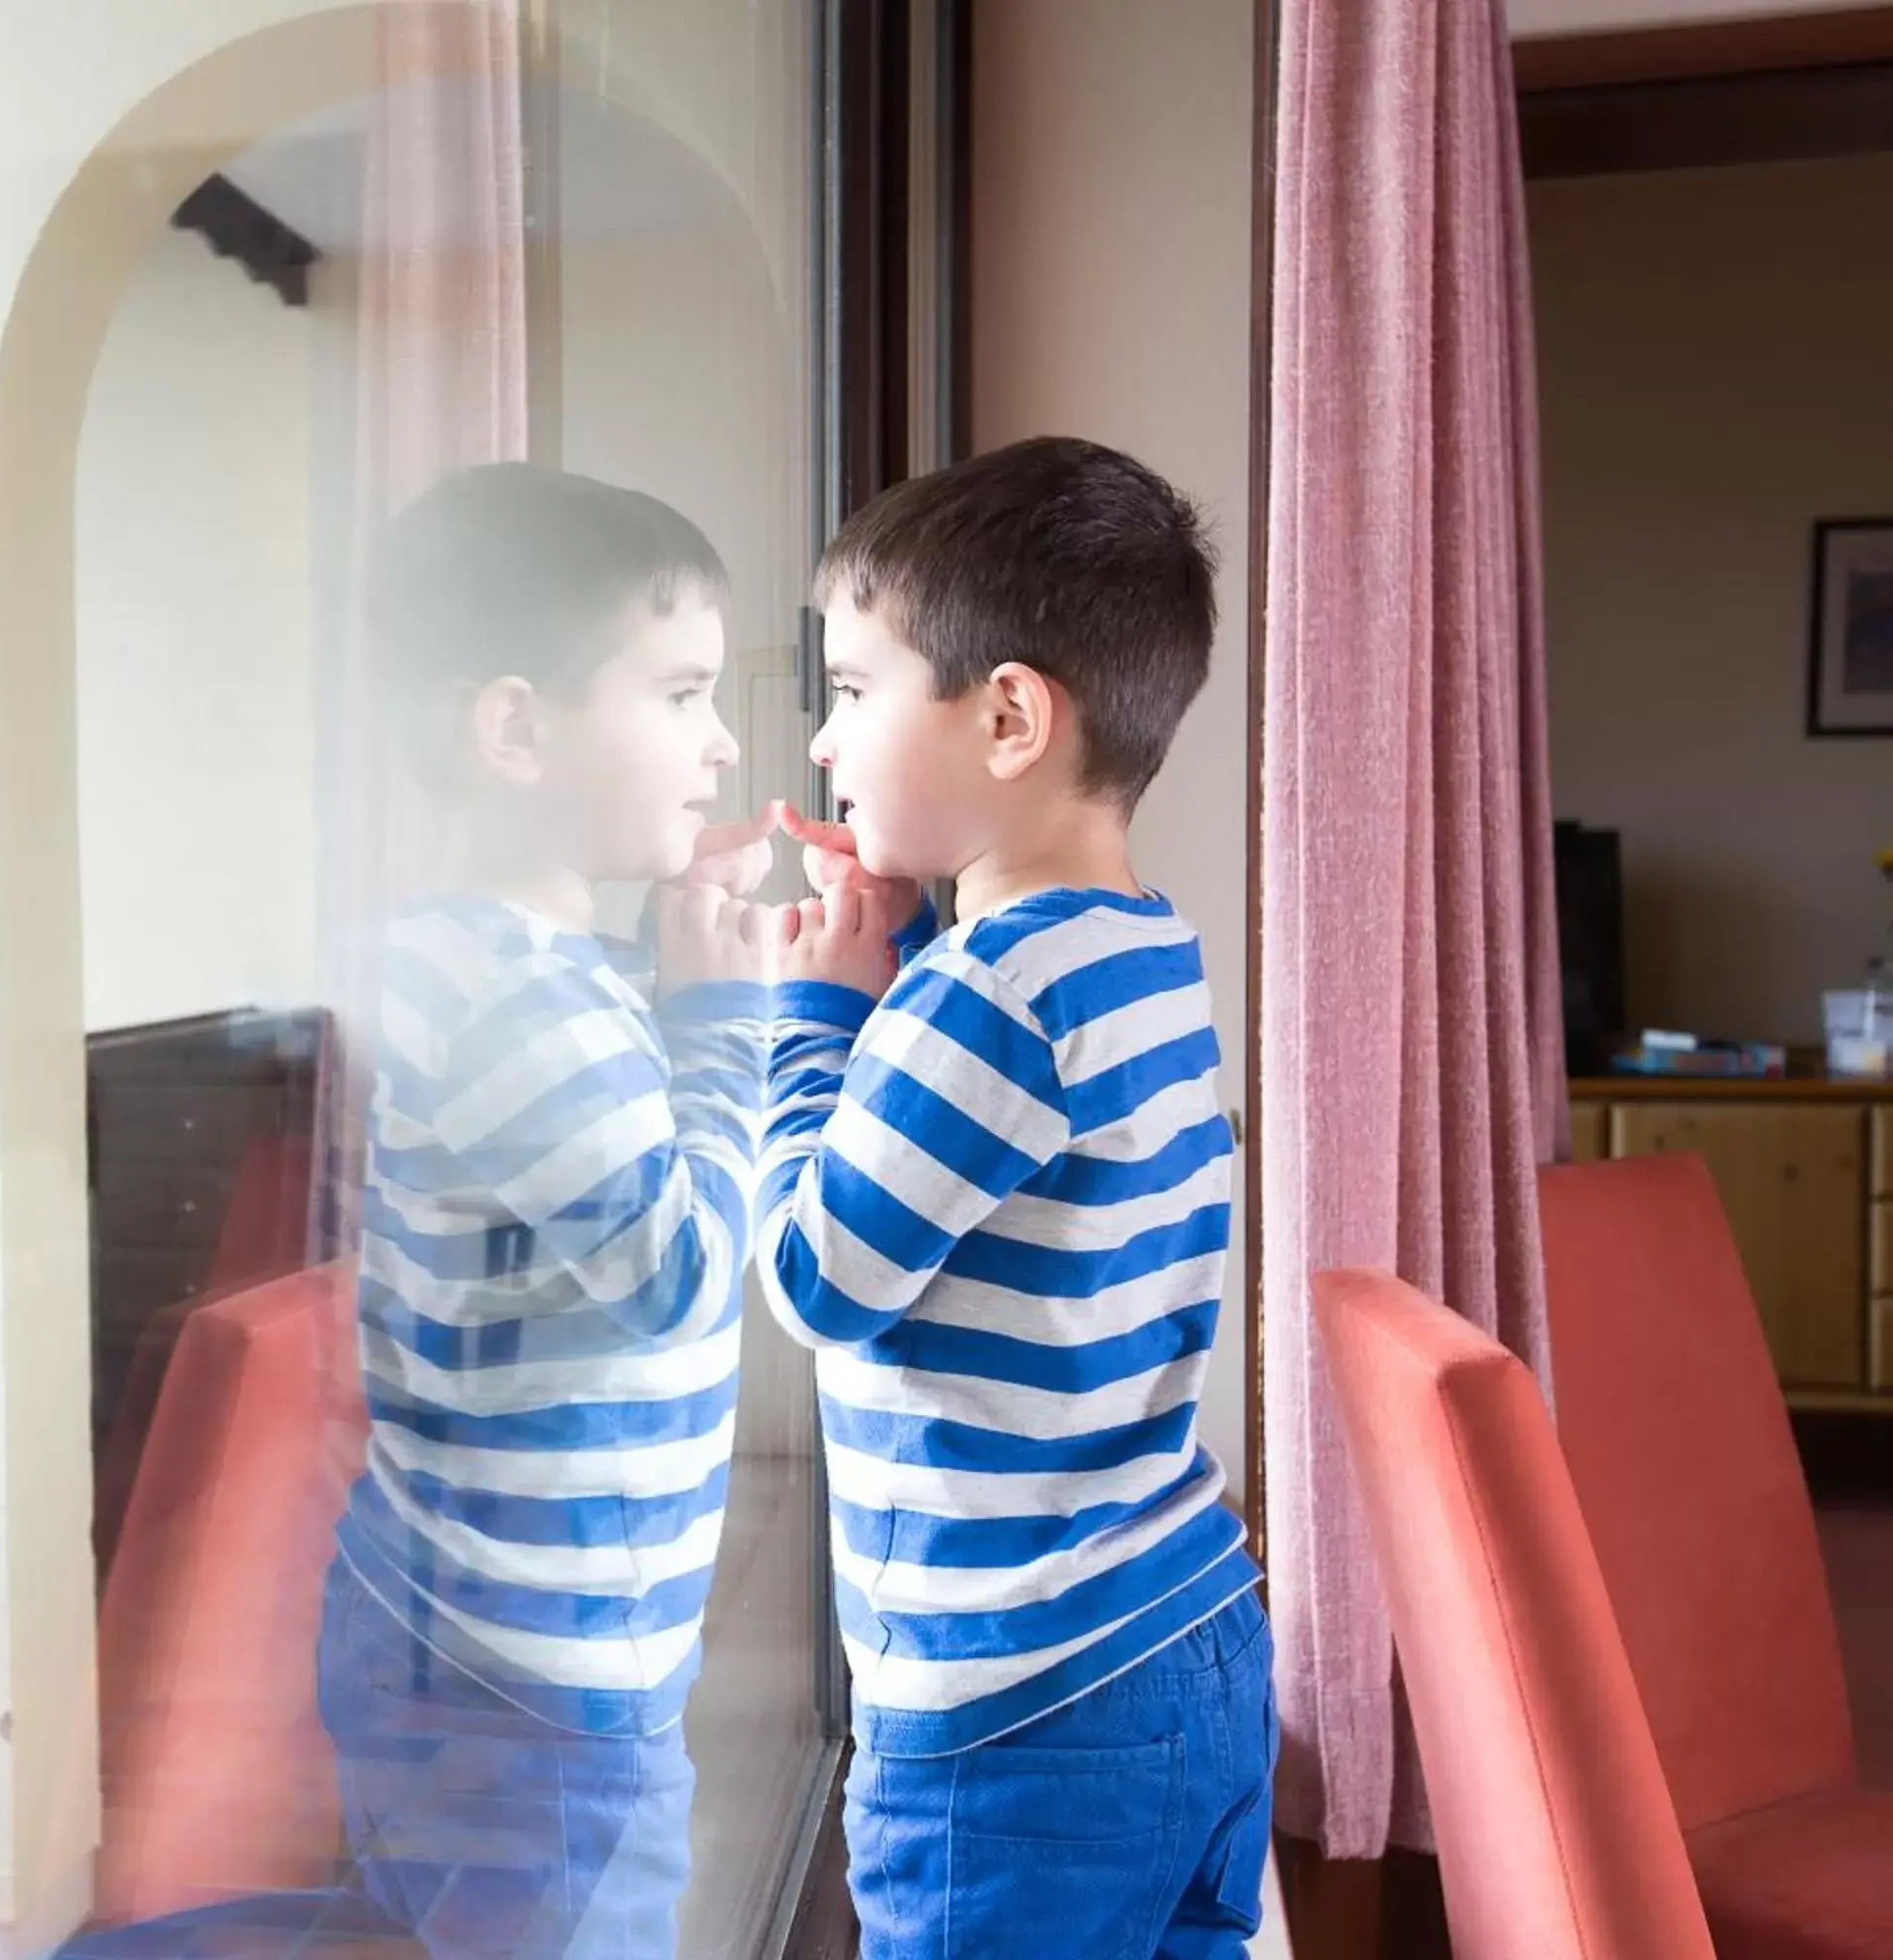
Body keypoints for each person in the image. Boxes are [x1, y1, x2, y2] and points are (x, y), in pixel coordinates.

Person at [755, 437, 1274, 1958]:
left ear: (1006, 716)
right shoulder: (1136, 950)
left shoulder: (983, 999)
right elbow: (1016, 1172)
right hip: (1186, 1629)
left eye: (852, 690)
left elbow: (817, 1277)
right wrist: (900, 962)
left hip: (1015, 1712)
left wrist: (811, 1023)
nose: (829, 745)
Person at [316, 463, 773, 1959]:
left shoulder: (511, 966)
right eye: (684, 692)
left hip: (469, 1639)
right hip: (540, 1687)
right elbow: (685, 1272)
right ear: (515, 729)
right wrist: (726, 1024)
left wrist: (664, 972)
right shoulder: (524, 996)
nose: (721, 746)